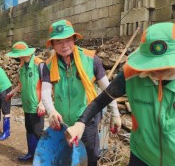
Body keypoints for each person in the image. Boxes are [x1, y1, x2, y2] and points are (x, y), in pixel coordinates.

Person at [65, 22, 175, 166]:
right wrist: (80, 123)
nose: (158, 70)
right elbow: (100, 101)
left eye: (166, 65)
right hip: (142, 156)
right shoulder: (130, 76)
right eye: (152, 65)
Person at [41, 19, 121, 166]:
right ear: (52, 45)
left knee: (90, 156)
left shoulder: (91, 59)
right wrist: (51, 111)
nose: (64, 45)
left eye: (68, 40)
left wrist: (115, 113)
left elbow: (108, 89)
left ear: (74, 40)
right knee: (67, 156)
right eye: (58, 42)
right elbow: (45, 92)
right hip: (63, 121)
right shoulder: (48, 65)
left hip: (87, 119)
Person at [6, 41, 46, 161]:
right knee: (29, 129)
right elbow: (21, 84)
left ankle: (44, 158)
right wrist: (12, 92)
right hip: (27, 105)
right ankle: (31, 154)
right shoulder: (22, 66)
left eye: (18, 55)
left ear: (24, 53)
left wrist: (42, 103)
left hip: (37, 106)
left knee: (38, 132)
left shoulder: (39, 64)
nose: (17, 58)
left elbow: (48, 84)